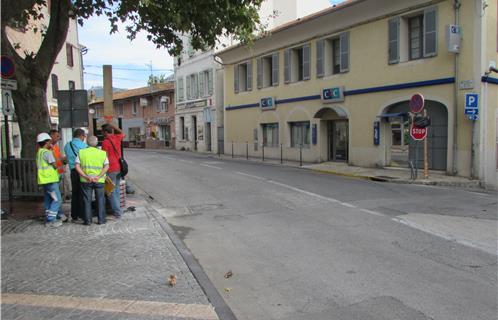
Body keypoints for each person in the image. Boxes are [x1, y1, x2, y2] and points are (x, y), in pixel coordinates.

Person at [75, 135, 109, 225]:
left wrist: (86, 176)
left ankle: (87, 221)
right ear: (97, 143)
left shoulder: (81, 152)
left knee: (87, 200)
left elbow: (77, 166)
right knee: (100, 200)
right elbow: (106, 166)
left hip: (86, 181)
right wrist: (99, 176)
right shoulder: (102, 153)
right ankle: (101, 220)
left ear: (86, 142)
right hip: (99, 180)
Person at [36, 132, 63, 228]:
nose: (51, 143)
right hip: (50, 179)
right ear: (46, 142)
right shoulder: (47, 153)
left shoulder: (39, 152)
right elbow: (55, 165)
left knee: (48, 199)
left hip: (44, 179)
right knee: (57, 199)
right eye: (49, 141)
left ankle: (48, 217)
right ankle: (51, 220)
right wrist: (52, 152)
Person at [101, 122, 125, 219]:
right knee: (117, 190)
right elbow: (122, 132)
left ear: (105, 132)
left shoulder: (105, 142)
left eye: (102, 132)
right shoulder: (117, 137)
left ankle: (117, 212)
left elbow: (104, 157)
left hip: (110, 169)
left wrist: (103, 170)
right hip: (119, 168)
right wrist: (113, 126)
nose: (101, 133)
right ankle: (118, 210)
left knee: (110, 191)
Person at [63, 128, 87, 222]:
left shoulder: (67, 145)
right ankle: (82, 214)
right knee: (83, 192)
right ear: (81, 135)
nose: (84, 138)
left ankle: (74, 215)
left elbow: (67, 158)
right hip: (82, 171)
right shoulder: (84, 146)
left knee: (75, 193)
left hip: (73, 171)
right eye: (84, 136)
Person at [49, 129, 68, 222]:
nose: (58, 138)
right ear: (51, 135)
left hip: (58, 174)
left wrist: (64, 159)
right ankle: (55, 216)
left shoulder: (55, 146)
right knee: (57, 198)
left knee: (55, 197)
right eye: (57, 136)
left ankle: (56, 214)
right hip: (53, 175)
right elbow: (54, 162)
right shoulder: (48, 148)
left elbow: (59, 157)